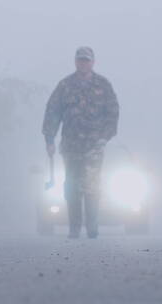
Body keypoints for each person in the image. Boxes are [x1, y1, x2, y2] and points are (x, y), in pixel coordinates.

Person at [42, 46, 120, 239]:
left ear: (93, 62)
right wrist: (49, 139)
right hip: (71, 146)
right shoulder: (65, 85)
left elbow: (113, 113)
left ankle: (92, 227)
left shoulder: (103, 85)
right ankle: (74, 227)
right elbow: (53, 112)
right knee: (71, 186)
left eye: (86, 60)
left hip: (94, 145)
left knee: (92, 186)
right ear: (75, 61)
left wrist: (104, 137)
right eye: (80, 60)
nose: (83, 63)